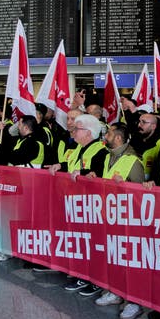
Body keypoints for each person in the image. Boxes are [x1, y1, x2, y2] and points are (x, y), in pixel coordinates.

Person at [94, 122, 145, 319]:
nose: (105, 136)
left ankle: (134, 302)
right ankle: (116, 292)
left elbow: (142, 196)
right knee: (113, 259)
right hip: (110, 218)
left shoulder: (133, 161)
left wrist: (124, 187)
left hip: (128, 222)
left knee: (130, 263)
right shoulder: (108, 157)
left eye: (108, 133)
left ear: (118, 138)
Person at [54, 114, 107, 296]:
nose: (73, 131)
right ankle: (82, 273)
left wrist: (83, 172)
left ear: (89, 132)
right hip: (75, 203)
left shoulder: (100, 150)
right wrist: (60, 165)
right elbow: (72, 166)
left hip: (91, 205)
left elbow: (98, 173)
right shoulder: (77, 148)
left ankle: (95, 280)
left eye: (77, 129)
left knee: (93, 243)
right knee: (80, 241)